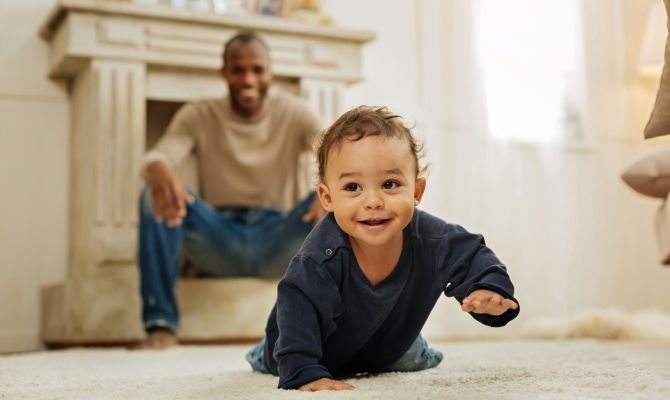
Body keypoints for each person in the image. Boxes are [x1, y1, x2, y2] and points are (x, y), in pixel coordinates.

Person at [245, 106, 520, 390]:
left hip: (387, 345)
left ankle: (413, 350)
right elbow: (297, 303)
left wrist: (488, 289)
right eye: (353, 187)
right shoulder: (319, 257)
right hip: (316, 345)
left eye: (389, 184)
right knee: (279, 352)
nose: (373, 201)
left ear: (416, 191)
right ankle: (263, 351)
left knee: (408, 356)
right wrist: (302, 370)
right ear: (327, 198)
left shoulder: (433, 240)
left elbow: (472, 254)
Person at [136, 31, 326, 349]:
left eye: (258, 69)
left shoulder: (295, 111)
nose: (249, 78)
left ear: (270, 72)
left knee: (339, 197)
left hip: (279, 238)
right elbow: (163, 153)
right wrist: (157, 165)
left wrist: (329, 187)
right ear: (224, 73)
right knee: (152, 195)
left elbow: (330, 148)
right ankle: (161, 324)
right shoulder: (198, 113)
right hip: (219, 238)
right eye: (238, 70)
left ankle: (338, 325)